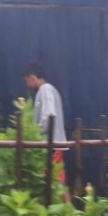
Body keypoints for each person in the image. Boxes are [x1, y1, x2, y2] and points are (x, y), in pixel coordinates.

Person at [24, 64, 69, 200]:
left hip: (50, 145)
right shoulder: (51, 90)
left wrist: (35, 133)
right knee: (56, 179)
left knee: (57, 180)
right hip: (53, 144)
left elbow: (49, 116)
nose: (27, 85)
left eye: (26, 81)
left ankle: (71, 215)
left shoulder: (45, 90)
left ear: (32, 77)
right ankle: (69, 215)